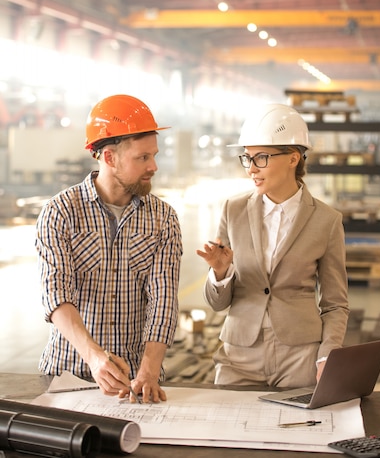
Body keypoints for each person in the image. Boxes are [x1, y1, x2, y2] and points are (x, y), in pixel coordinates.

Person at [36, 94, 183, 403]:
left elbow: (163, 299)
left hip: (137, 380)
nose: (153, 166)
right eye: (143, 157)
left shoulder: (163, 218)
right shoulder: (61, 212)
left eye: (154, 155)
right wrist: (94, 357)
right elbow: (56, 295)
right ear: (110, 157)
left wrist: (149, 371)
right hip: (68, 374)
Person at [197, 103, 349, 388]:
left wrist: (328, 353)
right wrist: (220, 273)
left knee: (298, 429)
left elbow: (335, 303)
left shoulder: (327, 221)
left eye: (262, 158)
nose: (251, 169)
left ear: (293, 158)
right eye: (247, 158)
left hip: (299, 354)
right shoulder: (234, 210)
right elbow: (217, 303)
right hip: (240, 353)